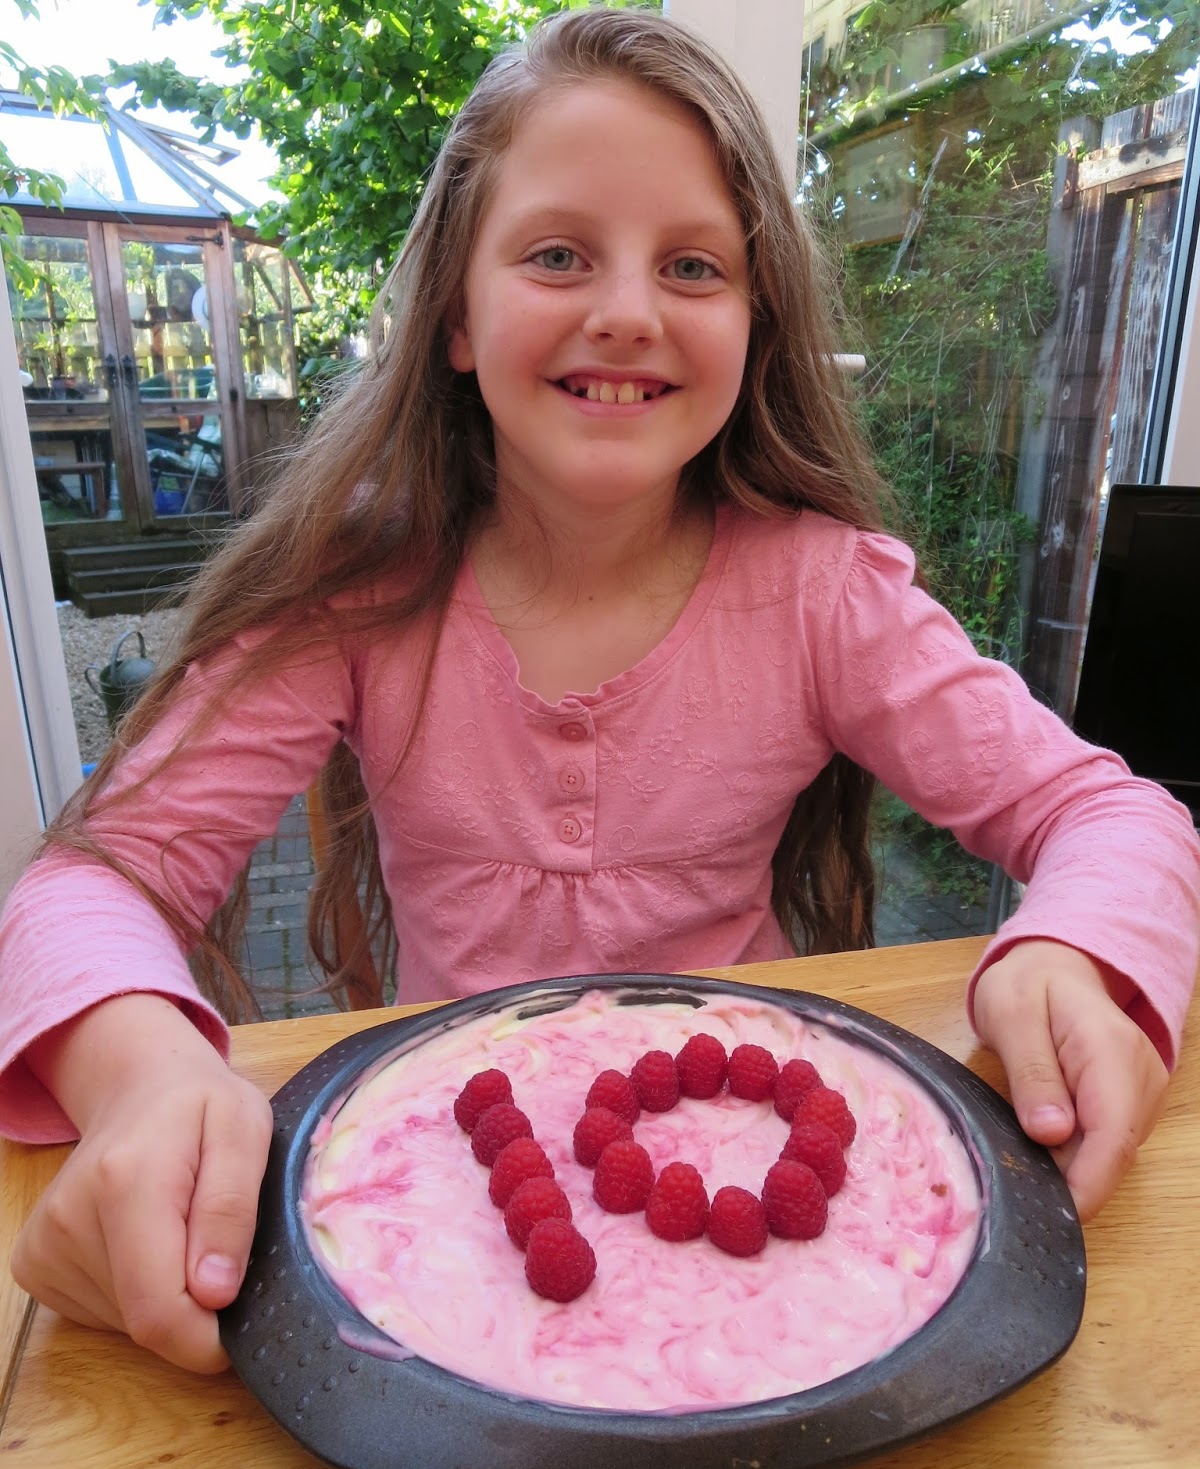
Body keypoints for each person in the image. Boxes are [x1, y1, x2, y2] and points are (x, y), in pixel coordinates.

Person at [1, 6, 1197, 1376]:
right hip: (452, 1232)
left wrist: (1073, 949)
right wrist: (143, 1071)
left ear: (754, 323)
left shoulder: (825, 598)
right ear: (457, 315)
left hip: (776, 1257)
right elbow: (93, 882)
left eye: (692, 265)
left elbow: (1113, 816)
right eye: (559, 254)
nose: (627, 311)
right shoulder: (356, 592)